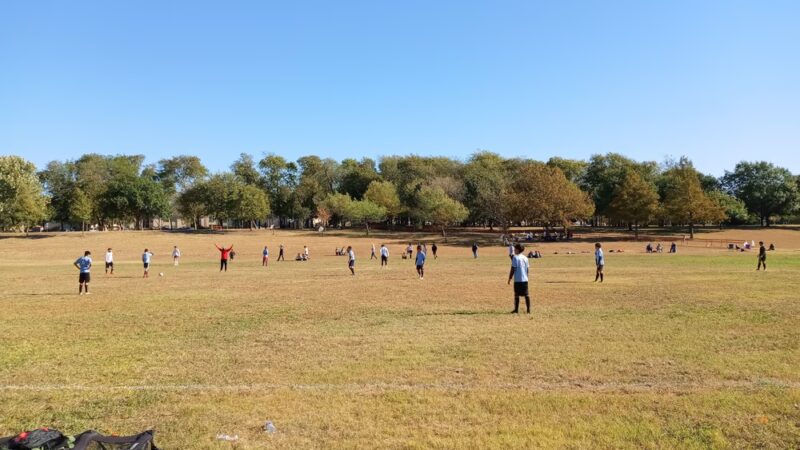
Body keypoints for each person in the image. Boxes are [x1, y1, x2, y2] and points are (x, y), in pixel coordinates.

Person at [507, 243, 530, 314]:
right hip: (525, 279)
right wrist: (526, 276)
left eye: (515, 249)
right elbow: (527, 269)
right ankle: (528, 310)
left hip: (517, 279)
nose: (514, 250)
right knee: (526, 294)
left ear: (517, 250)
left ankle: (516, 310)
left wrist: (510, 278)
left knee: (516, 295)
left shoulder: (515, 258)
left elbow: (513, 269)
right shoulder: (526, 258)